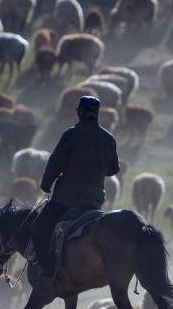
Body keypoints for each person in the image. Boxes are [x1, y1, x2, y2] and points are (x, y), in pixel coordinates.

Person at [31, 95, 120, 278]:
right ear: (96, 114)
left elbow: (55, 163)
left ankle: (48, 271)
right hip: (94, 200)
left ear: (80, 112)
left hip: (66, 198)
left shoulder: (71, 134)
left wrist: (46, 185)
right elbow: (113, 169)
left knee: (39, 228)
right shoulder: (108, 138)